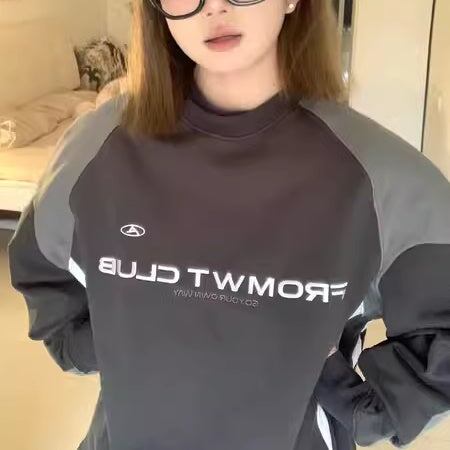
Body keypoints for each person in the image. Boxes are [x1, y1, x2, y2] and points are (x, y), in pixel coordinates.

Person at [7, 0, 450, 449]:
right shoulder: (98, 145)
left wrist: (350, 397)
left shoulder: (376, 174)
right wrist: (123, 342)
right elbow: (44, 276)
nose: (214, 7)